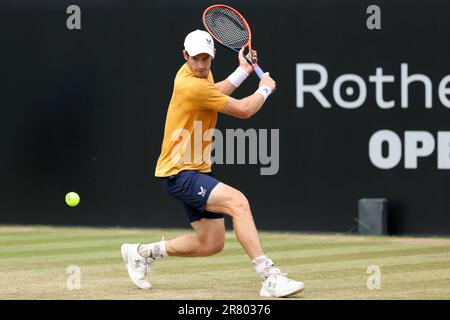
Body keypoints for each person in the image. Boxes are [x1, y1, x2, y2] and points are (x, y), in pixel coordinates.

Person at [121, 29, 305, 298]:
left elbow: (214, 93)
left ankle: (140, 253)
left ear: (212, 57)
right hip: (179, 172)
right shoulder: (190, 82)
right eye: (195, 59)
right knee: (238, 203)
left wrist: (243, 71)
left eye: (205, 59)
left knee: (211, 243)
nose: (200, 65)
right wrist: (264, 88)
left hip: (194, 169)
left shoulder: (201, 77)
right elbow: (243, 110)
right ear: (185, 56)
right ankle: (269, 276)